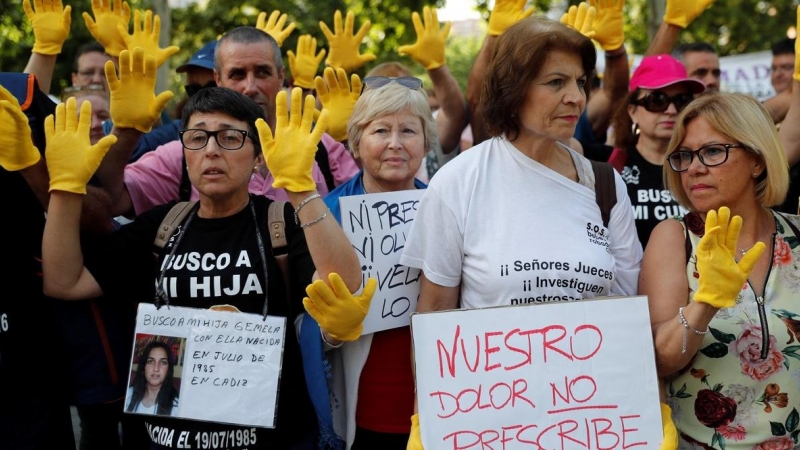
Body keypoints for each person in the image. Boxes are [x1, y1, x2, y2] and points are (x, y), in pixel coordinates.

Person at [41, 86, 361, 449]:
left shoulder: (281, 223)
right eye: (197, 138)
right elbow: (64, 281)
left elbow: (345, 287)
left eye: (229, 137)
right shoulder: (161, 226)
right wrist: (65, 189)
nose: (211, 149)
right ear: (185, 154)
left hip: (270, 438)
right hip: (162, 439)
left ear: (259, 156)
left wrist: (302, 189)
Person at [399, 15, 643, 446]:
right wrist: (430, 423)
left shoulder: (606, 186)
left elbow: (629, 313)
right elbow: (434, 315)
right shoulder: (458, 182)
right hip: (491, 427)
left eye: (582, 82)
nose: (575, 98)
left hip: (592, 423)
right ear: (512, 88)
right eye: (555, 82)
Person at [641, 92, 799, 449]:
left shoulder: (798, 235)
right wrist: (705, 303)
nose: (694, 168)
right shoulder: (674, 238)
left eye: (713, 151)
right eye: (684, 156)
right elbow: (658, 359)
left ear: (757, 160)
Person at [301, 76, 437, 449]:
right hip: (361, 414)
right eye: (380, 130)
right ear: (357, 143)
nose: (395, 143)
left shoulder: (450, 209)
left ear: (426, 143)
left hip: (436, 409)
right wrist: (330, 331)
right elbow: (303, 323)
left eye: (408, 130)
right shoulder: (325, 215)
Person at [102, 27, 355, 218]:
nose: (250, 87)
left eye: (262, 72)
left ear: (281, 78)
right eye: (237, 74)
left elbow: (372, 210)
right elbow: (109, 201)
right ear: (218, 79)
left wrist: (350, 139)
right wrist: (125, 132)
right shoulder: (186, 153)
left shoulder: (321, 148)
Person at [606, 54, 705, 247]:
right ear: (632, 111)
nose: (671, 110)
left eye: (681, 100)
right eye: (657, 100)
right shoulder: (607, 162)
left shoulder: (708, 165)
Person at [125, 340, 180, 416]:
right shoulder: (128, 395)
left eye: (163, 362)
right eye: (150, 361)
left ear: (168, 370)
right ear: (144, 367)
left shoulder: (177, 407)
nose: (156, 368)